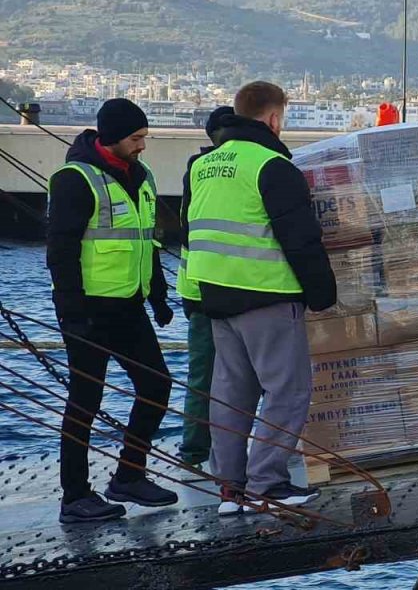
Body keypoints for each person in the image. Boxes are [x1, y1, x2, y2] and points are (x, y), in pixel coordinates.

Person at [188, 81, 337, 514]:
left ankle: (230, 489)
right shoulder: (272, 165)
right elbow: (300, 238)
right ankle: (268, 484)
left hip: (216, 296)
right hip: (267, 293)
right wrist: (322, 294)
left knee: (231, 395)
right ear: (274, 118)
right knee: (287, 392)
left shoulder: (203, 166)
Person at [47, 98, 177, 523]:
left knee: (157, 385)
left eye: (144, 137)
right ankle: (74, 497)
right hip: (88, 310)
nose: (142, 146)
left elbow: (146, 240)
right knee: (85, 400)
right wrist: (71, 313)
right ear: (113, 137)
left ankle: (129, 475)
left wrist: (158, 296)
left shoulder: (142, 176)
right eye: (136, 138)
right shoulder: (75, 179)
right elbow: (61, 251)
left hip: (129, 306)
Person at [175, 105, 233, 471]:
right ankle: (202, 449)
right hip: (228, 289)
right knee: (248, 375)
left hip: (196, 288)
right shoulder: (231, 170)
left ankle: (195, 451)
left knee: (203, 376)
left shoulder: (196, 169)